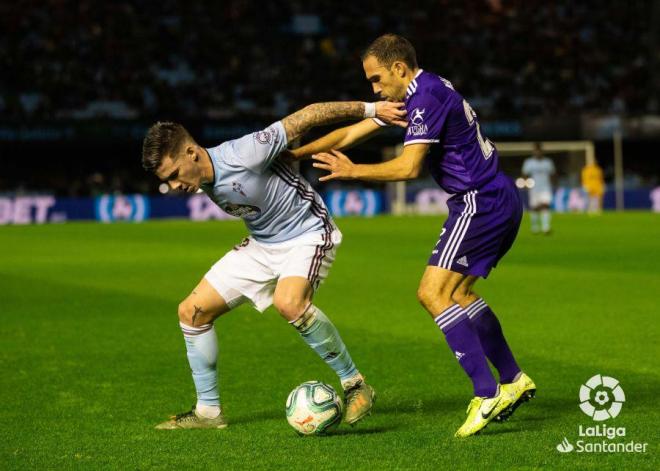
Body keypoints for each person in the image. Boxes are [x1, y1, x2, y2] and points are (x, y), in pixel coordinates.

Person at [290, 34, 535, 438]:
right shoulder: (420, 92)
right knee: (458, 294)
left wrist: (355, 171)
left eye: (376, 79)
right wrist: (295, 154)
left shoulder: (426, 97)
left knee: (431, 293)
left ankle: (486, 392)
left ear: (399, 68)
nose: (373, 89)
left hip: (479, 201)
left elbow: (407, 168)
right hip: (494, 198)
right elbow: (353, 132)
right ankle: (512, 378)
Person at [142, 99, 407, 429]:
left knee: (289, 302)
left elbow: (309, 116)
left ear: (192, 153)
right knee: (191, 313)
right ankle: (208, 413)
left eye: (175, 174)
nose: (175, 185)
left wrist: (372, 110)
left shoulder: (245, 152)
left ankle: (356, 385)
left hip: (307, 233)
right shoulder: (204, 177)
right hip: (262, 245)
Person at [522, 143, 556, 234]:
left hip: (545, 187)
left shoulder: (548, 162)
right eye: (536, 151)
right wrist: (526, 184)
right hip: (534, 188)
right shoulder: (529, 162)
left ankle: (546, 228)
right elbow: (525, 174)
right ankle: (535, 227)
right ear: (533, 152)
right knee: (534, 208)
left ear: (542, 151)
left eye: (539, 151)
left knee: (545, 205)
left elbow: (552, 174)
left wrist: (553, 184)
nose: (537, 152)